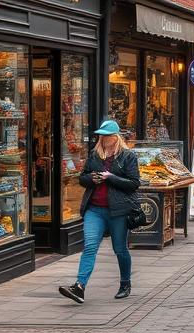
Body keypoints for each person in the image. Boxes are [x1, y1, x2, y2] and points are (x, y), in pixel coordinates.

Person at [59, 120, 139, 304]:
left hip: (118, 211)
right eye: (101, 136)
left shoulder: (128, 157)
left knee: (120, 249)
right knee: (90, 247)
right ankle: (79, 286)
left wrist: (111, 178)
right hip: (94, 209)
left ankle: (125, 284)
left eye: (107, 136)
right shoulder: (95, 155)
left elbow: (134, 184)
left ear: (116, 137)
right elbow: (82, 179)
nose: (103, 139)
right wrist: (92, 179)